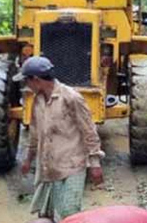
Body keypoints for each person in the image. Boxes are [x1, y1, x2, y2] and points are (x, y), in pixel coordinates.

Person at [18, 56, 105, 221]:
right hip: (48, 167)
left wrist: (95, 164)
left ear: (36, 80)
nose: (26, 86)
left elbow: (89, 132)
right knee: (45, 214)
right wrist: (28, 159)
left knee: (69, 214)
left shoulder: (71, 98)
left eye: (26, 81)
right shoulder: (38, 100)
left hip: (72, 166)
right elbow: (35, 134)